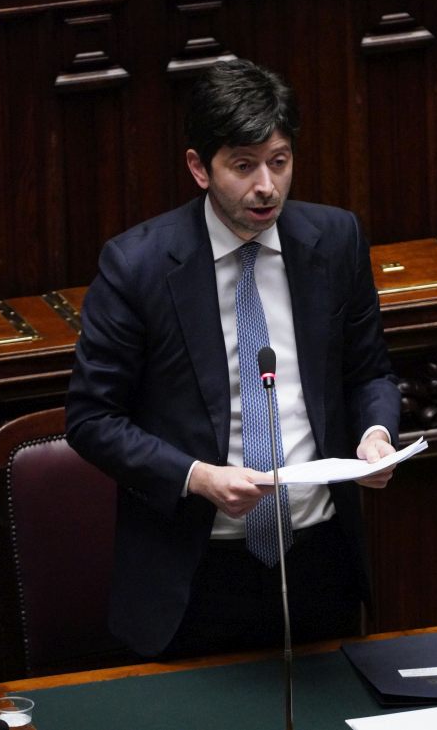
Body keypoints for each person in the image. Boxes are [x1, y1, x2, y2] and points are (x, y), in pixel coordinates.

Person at [65, 58, 401, 659]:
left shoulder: (336, 241)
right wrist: (198, 477)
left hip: (320, 555)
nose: (266, 186)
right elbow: (92, 420)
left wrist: (376, 434)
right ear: (200, 167)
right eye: (244, 166)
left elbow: (368, 371)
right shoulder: (137, 267)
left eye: (279, 161)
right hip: (197, 569)